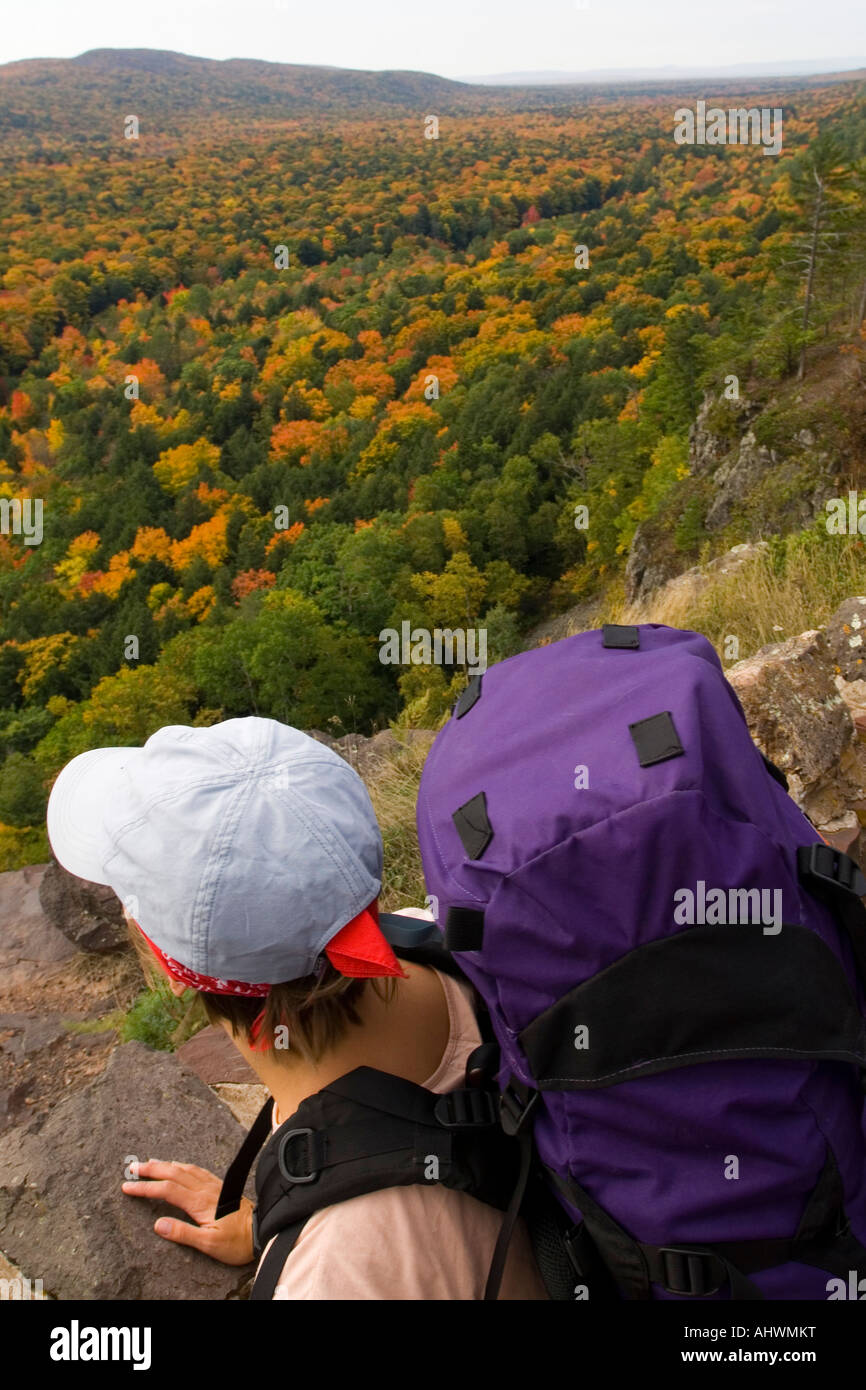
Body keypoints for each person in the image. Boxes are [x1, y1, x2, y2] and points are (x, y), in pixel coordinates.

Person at [46, 716, 548, 1300]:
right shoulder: (433, 943)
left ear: (166, 963)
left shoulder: (326, 1279)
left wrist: (301, 1232)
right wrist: (271, 1219)